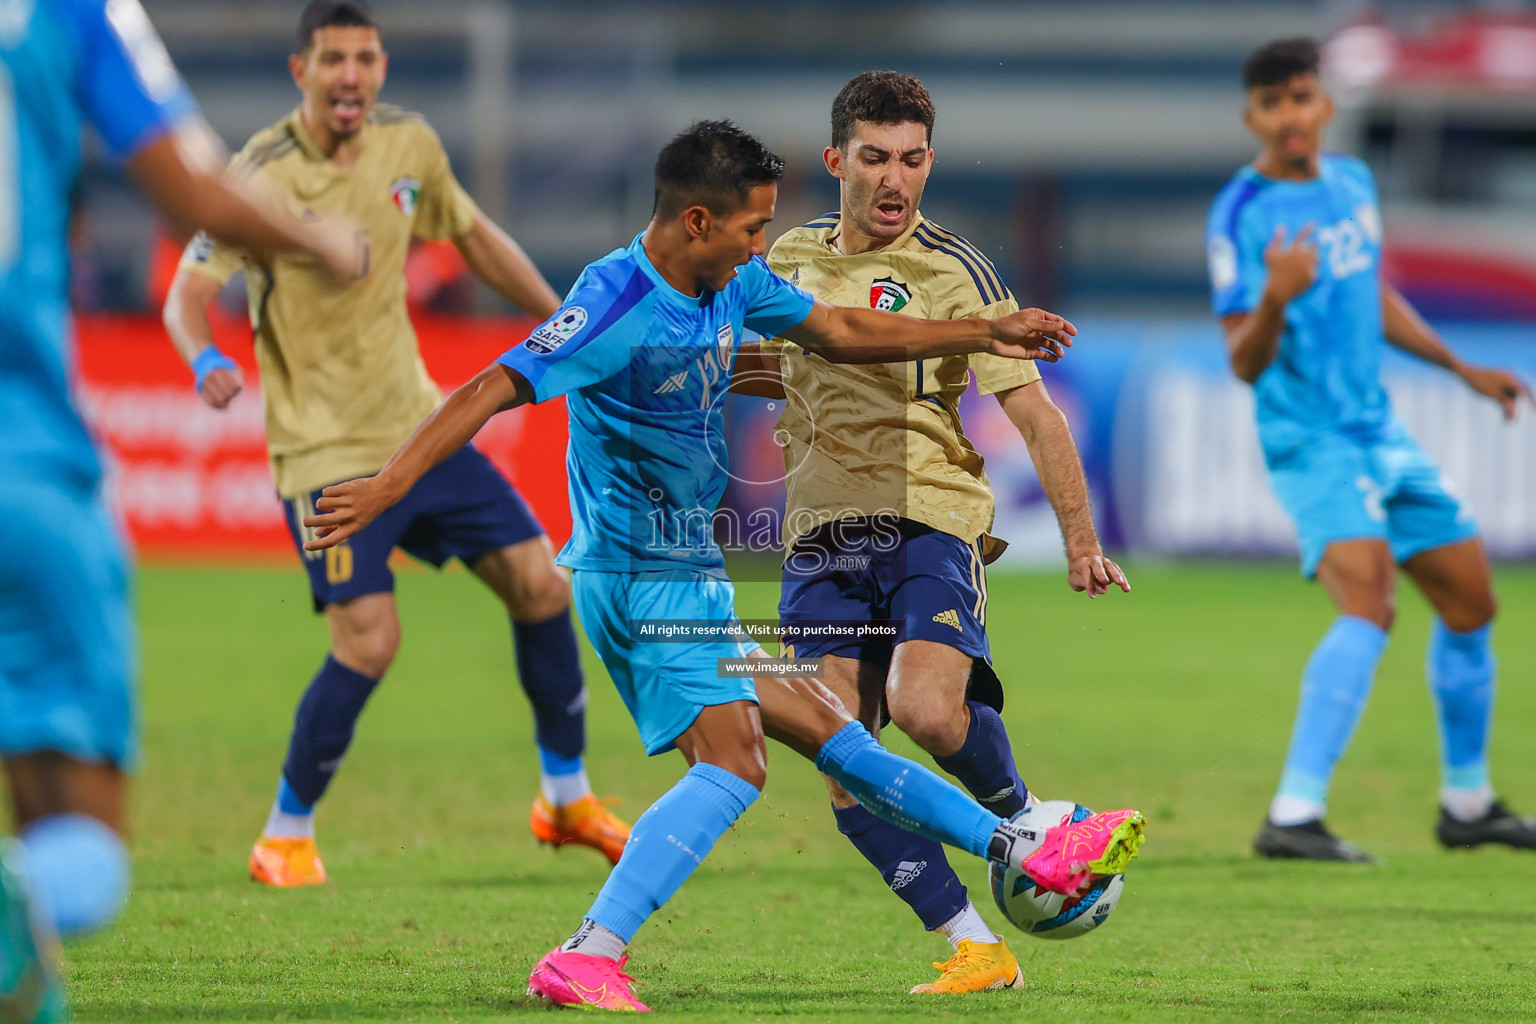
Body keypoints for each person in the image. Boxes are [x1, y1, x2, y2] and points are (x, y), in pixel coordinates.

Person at [301, 119, 1145, 1012]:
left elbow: (841, 328)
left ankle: (1018, 851)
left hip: (690, 578)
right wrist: (388, 485)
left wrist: (984, 328)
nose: (763, 248)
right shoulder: (615, 303)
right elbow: (489, 388)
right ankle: (589, 952)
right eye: (752, 229)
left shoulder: (731, 281)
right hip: (638, 582)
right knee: (737, 762)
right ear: (697, 221)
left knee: (837, 737)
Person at [161, 0, 629, 888]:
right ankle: (284, 834)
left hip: (420, 431)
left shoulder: (409, 147)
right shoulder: (256, 173)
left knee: (539, 584)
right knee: (369, 641)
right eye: (332, 59)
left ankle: (565, 796)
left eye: (365, 58)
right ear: (300, 71)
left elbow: (475, 237)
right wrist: (205, 357)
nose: (350, 75)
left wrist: (558, 323)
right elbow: (184, 296)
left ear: (380, 69)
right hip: (325, 453)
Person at [0, 0, 363, 1018]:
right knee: (74, 856)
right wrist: (320, 239)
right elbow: (184, 186)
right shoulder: (67, 13)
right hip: (20, 461)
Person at [745, 70, 1128, 994]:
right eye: (874, 159)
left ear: (929, 164)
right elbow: (762, 366)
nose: (894, 181)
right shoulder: (786, 259)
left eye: (912, 161)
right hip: (819, 536)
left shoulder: (956, 273)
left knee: (923, 711)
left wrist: (1081, 538)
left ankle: (1031, 820)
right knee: (844, 766)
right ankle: (974, 943)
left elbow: (1036, 414)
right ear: (837, 160)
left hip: (929, 520)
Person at [1207, 37, 1536, 862]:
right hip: (1310, 440)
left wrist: (1462, 370)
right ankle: (1292, 814)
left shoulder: (1352, 184)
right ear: (1254, 115)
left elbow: (1373, 294)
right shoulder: (1241, 216)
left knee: (1470, 603)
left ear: (1325, 106)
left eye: (1304, 97)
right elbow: (1243, 359)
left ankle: (1468, 804)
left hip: (1380, 430)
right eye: (1275, 101)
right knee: (1371, 606)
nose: (1292, 115)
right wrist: (1275, 300)